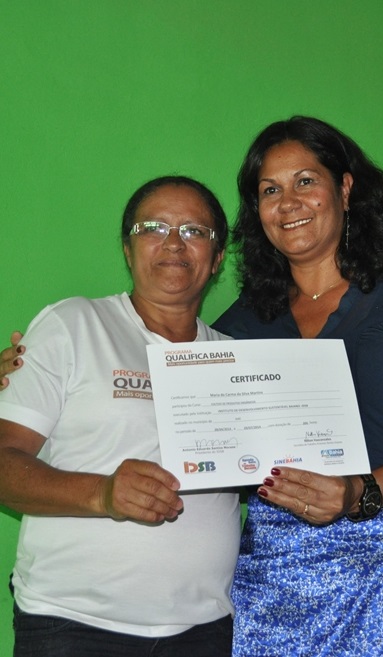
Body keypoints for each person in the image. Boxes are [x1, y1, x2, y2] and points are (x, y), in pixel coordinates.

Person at [211, 116, 383, 656]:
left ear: (346, 188)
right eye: (270, 190)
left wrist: (364, 491)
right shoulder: (239, 326)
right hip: (273, 584)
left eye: (305, 181)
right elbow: (202, 440)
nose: (288, 202)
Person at [0, 175, 241, 657]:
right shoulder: (74, 325)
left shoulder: (236, 359)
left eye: (195, 231)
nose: (174, 243)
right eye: (153, 227)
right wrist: (103, 493)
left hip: (203, 630)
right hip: (73, 625)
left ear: (216, 258)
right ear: (128, 249)